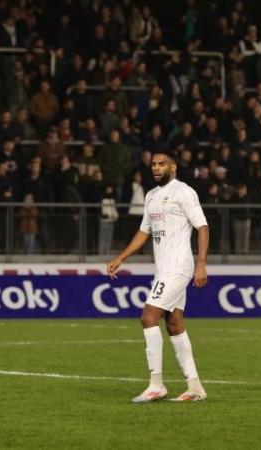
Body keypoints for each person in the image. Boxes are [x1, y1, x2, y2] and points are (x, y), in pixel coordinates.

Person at [106, 149, 210, 403]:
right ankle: (195, 387)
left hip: (179, 265)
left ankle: (156, 384)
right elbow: (144, 232)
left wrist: (201, 263)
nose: (156, 167)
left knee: (148, 316)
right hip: (163, 268)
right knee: (174, 324)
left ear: (173, 167)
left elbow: (202, 226)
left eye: (162, 164)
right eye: (153, 164)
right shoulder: (151, 196)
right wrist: (121, 258)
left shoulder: (184, 192)